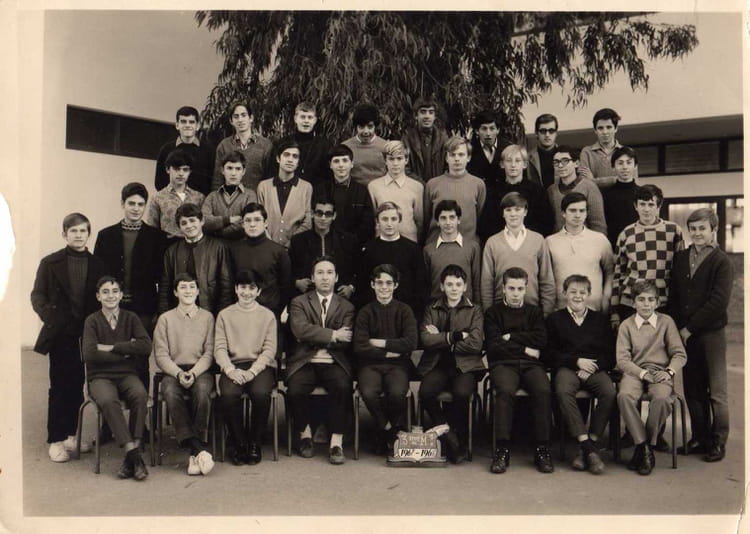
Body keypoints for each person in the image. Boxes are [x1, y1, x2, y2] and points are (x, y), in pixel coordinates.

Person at [31, 213, 108, 462]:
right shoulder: (50, 262)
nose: (78, 235)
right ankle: (56, 439)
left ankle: (70, 436)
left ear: (89, 234)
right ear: (64, 234)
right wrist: (53, 318)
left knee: (77, 385)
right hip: (61, 333)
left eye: (83, 231)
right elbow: (37, 296)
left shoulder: (97, 264)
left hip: (86, 333)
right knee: (60, 386)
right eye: (73, 231)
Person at [670, 208, 734, 462]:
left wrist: (690, 328)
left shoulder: (721, 261)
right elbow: (674, 296)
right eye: (693, 229)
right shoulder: (681, 258)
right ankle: (700, 437)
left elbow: (718, 302)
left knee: (716, 391)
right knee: (693, 390)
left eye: (702, 229)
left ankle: (718, 441)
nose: (697, 233)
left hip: (711, 333)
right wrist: (678, 328)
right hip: (686, 335)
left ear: (713, 230)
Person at [94, 182, 166, 390]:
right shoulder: (106, 235)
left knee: (140, 358)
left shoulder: (156, 237)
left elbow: (162, 277)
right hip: (112, 307)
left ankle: (140, 409)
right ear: (122, 204)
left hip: (144, 309)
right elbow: (99, 275)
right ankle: (113, 407)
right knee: (113, 355)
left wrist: (158, 311)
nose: (136, 208)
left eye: (140, 204)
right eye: (131, 203)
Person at [543, 274, 615, 474]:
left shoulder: (600, 320)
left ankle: (589, 443)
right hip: (567, 368)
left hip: (593, 368)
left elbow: (611, 354)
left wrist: (592, 366)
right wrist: (575, 362)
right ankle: (588, 446)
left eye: (582, 292)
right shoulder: (554, 319)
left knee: (609, 392)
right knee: (563, 390)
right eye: (573, 292)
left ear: (589, 294)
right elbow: (548, 353)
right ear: (564, 293)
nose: (577, 296)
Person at [81, 276, 152, 480]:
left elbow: (146, 346)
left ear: (121, 295)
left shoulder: (131, 318)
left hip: (127, 375)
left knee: (140, 395)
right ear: (98, 296)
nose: (110, 296)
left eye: (114, 291)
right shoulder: (92, 321)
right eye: (105, 292)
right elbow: (90, 354)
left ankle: (132, 454)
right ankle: (134, 455)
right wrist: (126, 352)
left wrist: (112, 347)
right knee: (107, 400)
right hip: (100, 377)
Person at [287, 256, 356, 464]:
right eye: (320, 273)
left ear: (336, 278)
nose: (325, 277)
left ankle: (336, 442)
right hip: (305, 361)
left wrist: (314, 336)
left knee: (342, 387)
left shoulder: (347, 306)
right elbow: (300, 330)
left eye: (329, 273)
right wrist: (333, 335)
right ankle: (305, 436)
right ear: (312, 277)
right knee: (295, 389)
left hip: (334, 361)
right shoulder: (299, 302)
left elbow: (346, 339)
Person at [484, 267, 553, 474]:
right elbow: (494, 345)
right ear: (503, 289)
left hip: (531, 365)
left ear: (526, 289)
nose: (515, 293)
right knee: (505, 391)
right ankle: (502, 450)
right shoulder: (493, 313)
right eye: (511, 288)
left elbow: (541, 340)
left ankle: (542, 449)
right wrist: (525, 348)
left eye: (520, 289)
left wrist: (511, 337)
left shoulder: (534, 312)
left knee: (543, 390)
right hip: (503, 363)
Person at [616, 280, 687, 475]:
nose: (646, 304)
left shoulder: (666, 322)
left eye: (650, 300)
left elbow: (679, 354)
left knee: (662, 398)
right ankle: (644, 447)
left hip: (660, 371)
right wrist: (642, 373)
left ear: (657, 302)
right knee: (624, 396)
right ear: (633, 303)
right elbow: (622, 360)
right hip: (635, 371)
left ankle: (643, 445)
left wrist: (669, 372)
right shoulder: (626, 325)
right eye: (641, 300)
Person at [419, 264, 484, 464]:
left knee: (462, 394)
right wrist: (456, 336)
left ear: (465, 287)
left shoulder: (474, 310)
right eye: (449, 284)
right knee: (425, 392)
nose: (454, 288)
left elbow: (475, 343)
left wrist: (441, 338)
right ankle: (447, 432)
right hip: (438, 364)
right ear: (442, 286)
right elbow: (425, 339)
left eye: (458, 284)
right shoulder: (432, 308)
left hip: (465, 365)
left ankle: (458, 438)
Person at [153, 273, 216, 475]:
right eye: (183, 287)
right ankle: (198, 449)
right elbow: (161, 354)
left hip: (200, 369)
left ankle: (194, 447)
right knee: (171, 392)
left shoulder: (207, 317)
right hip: (174, 370)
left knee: (203, 391)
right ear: (175, 292)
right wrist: (178, 373)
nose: (188, 291)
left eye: (191, 287)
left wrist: (194, 373)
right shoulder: (165, 319)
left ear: (198, 291)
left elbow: (210, 352)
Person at [214, 269, 278, 465]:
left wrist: (253, 371)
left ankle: (255, 443)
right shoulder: (224, 315)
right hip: (233, 365)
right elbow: (219, 348)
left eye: (252, 288)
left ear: (258, 291)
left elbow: (269, 349)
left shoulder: (267, 316)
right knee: (228, 394)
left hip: (260, 366)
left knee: (260, 393)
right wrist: (230, 370)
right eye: (243, 287)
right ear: (236, 289)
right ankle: (239, 443)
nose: (247, 292)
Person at [353, 264, 418, 455]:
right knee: (368, 392)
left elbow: (410, 342)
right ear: (372, 285)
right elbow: (360, 346)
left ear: (395, 285)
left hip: (398, 365)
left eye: (389, 283)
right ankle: (388, 429)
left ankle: (386, 433)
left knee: (397, 393)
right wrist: (389, 352)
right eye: (379, 283)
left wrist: (379, 342)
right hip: (370, 364)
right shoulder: (365, 312)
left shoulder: (404, 310)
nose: (384, 287)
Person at [610, 184, 684, 330]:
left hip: (662, 303)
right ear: (635, 206)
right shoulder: (626, 234)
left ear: (659, 206)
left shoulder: (674, 231)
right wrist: (614, 311)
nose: (646, 209)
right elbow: (618, 274)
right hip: (631, 303)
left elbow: (680, 271)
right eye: (642, 204)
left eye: (651, 204)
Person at [480, 192, 555, 315]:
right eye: (508, 210)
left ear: (525, 212)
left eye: (517, 209)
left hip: (532, 311)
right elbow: (487, 283)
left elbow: (546, 279)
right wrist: (488, 313)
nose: (513, 214)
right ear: (503, 213)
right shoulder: (492, 242)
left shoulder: (538, 240)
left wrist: (546, 313)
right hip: (500, 313)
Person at [158, 203, 233, 316]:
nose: (189, 226)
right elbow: (165, 287)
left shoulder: (218, 247)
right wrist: (164, 316)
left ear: (202, 221)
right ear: (179, 227)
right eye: (184, 223)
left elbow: (226, 286)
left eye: (192, 220)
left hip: (210, 311)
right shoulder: (172, 251)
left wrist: (221, 316)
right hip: (180, 313)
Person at [357, 202, 427, 321]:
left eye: (393, 219)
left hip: (406, 314)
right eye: (385, 219)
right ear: (377, 222)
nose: (389, 224)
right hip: (376, 314)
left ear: (399, 221)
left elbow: (420, 286)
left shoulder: (413, 249)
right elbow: (363, 286)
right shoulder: (368, 249)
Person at [545, 192, 614, 312]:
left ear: (586, 213)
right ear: (563, 213)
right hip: (561, 310)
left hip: (594, 309)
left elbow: (610, 272)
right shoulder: (550, 242)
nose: (578, 215)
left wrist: (606, 298)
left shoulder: (600, 240)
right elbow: (546, 278)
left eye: (582, 211)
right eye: (572, 210)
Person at [229, 203, 293, 318]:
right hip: (240, 313)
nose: (252, 224)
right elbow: (230, 283)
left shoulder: (278, 251)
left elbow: (286, 286)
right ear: (242, 224)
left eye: (257, 220)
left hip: (269, 313)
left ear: (265, 223)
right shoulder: (234, 250)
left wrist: (276, 311)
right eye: (248, 220)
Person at [289, 193, 357, 299]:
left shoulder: (347, 240)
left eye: (328, 214)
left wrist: (351, 287)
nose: (323, 218)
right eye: (319, 213)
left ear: (334, 216)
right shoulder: (298, 241)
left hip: (338, 297)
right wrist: (297, 282)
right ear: (312, 214)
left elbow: (358, 269)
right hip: (307, 297)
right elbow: (288, 270)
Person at [478, 144, 552, 241]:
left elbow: (545, 222)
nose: (513, 165)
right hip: (501, 242)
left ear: (525, 164)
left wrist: (524, 238)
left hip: (529, 242)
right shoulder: (493, 191)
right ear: (502, 164)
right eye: (509, 161)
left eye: (517, 161)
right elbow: (487, 223)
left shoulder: (537, 191)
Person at [423, 136, 486, 243]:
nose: (457, 159)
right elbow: (427, 218)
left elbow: (479, 216)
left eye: (461, 154)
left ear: (468, 157)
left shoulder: (478, 184)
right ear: (446, 158)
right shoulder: (433, 184)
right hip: (437, 245)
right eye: (452, 155)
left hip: (467, 246)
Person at [313, 143, 375, 247]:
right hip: (325, 244)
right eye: (336, 161)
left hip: (354, 246)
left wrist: (352, 242)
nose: (341, 165)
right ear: (330, 165)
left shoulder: (362, 191)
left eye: (345, 160)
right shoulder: (320, 189)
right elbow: (315, 219)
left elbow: (367, 224)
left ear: (352, 164)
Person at [256, 139, 313, 248]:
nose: (290, 160)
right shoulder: (264, 186)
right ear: (278, 158)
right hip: (267, 247)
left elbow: (307, 222)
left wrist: (291, 243)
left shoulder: (306, 187)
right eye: (286, 155)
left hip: (295, 248)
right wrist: (271, 245)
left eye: (295, 156)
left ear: (298, 162)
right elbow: (259, 218)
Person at [423, 199, 481, 304]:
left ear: (459, 220)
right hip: (437, 308)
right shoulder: (429, 250)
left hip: (466, 308)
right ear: (437, 222)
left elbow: (476, 283)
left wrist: (477, 308)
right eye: (443, 218)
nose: (448, 222)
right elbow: (426, 285)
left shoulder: (472, 247)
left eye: (452, 217)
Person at [367, 140, 424, 243]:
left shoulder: (417, 187)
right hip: (382, 242)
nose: (395, 163)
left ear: (406, 160)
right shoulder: (374, 186)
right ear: (385, 160)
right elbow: (373, 219)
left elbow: (419, 221)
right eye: (391, 159)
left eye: (399, 158)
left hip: (409, 242)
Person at [212, 101, 273, 192]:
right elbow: (217, 180)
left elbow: (270, 179)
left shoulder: (265, 145)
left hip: (257, 198)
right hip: (231, 198)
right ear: (231, 121)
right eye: (236, 116)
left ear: (251, 118)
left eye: (243, 115)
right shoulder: (224, 146)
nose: (240, 120)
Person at [146, 149, 206, 243]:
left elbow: (204, 226)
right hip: (167, 246)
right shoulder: (158, 198)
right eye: (177, 169)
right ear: (167, 169)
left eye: (185, 170)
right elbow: (151, 229)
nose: (181, 173)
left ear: (190, 172)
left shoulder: (199, 197)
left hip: (194, 246)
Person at [546, 146, 607, 236]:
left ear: (576, 163)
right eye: (556, 162)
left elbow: (598, 225)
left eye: (565, 161)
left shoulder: (589, 187)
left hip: (585, 240)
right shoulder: (551, 190)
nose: (560, 165)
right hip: (559, 240)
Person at [155, 106, 215, 195]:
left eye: (191, 122)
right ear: (177, 125)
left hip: (200, 201)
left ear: (197, 126)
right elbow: (159, 182)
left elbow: (213, 181)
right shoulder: (166, 150)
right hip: (172, 200)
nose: (187, 125)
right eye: (183, 122)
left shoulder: (209, 151)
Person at [201, 151, 258, 241]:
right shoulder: (212, 196)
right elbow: (204, 221)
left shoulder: (250, 195)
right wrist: (228, 220)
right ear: (222, 170)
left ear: (243, 171)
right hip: (215, 247)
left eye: (238, 169)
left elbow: (247, 222)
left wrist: (216, 232)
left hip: (241, 246)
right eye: (229, 168)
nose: (233, 173)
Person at [273, 102, 332, 186]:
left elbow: (328, 176)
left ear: (315, 120)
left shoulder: (325, 146)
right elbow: (272, 171)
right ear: (295, 119)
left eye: (310, 117)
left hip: (316, 191)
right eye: (302, 117)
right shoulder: (282, 143)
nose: (306, 121)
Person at [579, 108, 638, 189]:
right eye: (600, 128)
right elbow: (585, 184)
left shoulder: (628, 152)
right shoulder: (587, 152)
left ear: (616, 128)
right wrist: (617, 179)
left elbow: (633, 183)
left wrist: (593, 181)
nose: (605, 132)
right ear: (595, 130)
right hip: (595, 197)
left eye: (609, 127)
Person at [401, 97, 449, 181]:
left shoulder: (443, 139)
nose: (427, 116)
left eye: (431, 112)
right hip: (415, 186)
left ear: (435, 116)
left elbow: (449, 166)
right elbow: (404, 167)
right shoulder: (407, 139)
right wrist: (420, 184)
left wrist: (437, 184)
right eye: (423, 112)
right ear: (416, 116)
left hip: (438, 186)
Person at [602, 146, 640, 247]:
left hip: (639, 246)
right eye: (620, 163)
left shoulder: (642, 193)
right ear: (613, 167)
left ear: (635, 166)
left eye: (629, 162)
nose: (625, 167)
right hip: (613, 247)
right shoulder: (605, 195)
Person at [342, 103, 388, 186]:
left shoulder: (385, 146)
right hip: (354, 191)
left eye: (370, 127)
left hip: (380, 190)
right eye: (361, 127)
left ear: (375, 126)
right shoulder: (345, 147)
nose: (366, 131)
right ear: (356, 127)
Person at [466, 109, 512, 191]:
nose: (488, 133)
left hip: (503, 195)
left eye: (492, 128)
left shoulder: (508, 148)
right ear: (477, 131)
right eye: (484, 129)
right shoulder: (470, 149)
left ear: (498, 130)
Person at [527, 113, 559, 189]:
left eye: (551, 131)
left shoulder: (566, 156)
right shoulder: (527, 158)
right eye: (543, 131)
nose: (547, 135)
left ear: (556, 133)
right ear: (536, 133)